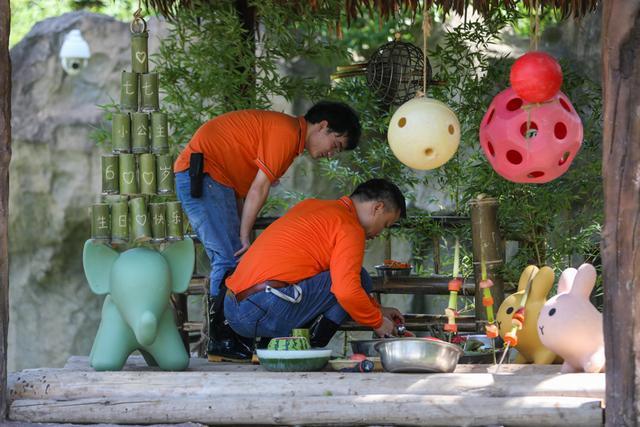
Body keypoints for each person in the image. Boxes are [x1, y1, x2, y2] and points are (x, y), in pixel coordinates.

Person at [173, 101, 361, 362]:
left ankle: (231, 340)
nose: (331, 154)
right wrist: (244, 234)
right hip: (203, 174)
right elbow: (259, 188)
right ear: (323, 126)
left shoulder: (289, 137)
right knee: (228, 259)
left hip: (217, 181)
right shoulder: (285, 133)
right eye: (336, 145)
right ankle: (221, 340)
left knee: (233, 260)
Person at [224, 178, 407, 347]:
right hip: (261, 310)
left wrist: (379, 310)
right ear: (378, 208)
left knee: (357, 279)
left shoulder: (311, 206)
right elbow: (346, 291)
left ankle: (276, 343)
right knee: (357, 279)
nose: (379, 234)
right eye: (385, 224)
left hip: (233, 307)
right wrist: (378, 322)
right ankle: (313, 345)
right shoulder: (349, 227)